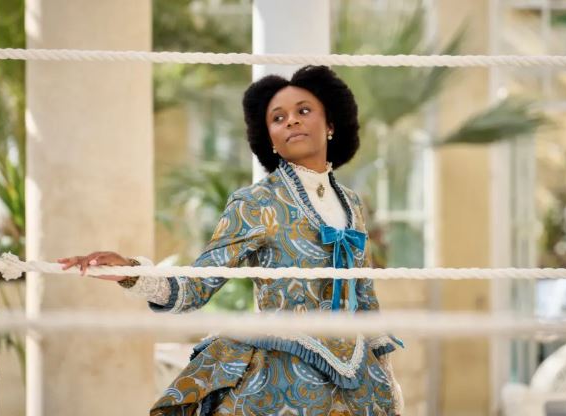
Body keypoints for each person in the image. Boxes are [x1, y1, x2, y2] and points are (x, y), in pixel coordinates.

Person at [58, 65, 404, 416]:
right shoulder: (255, 203)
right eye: (278, 118)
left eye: (303, 111)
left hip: (357, 379)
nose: (291, 121)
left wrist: (386, 376)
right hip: (280, 376)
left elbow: (364, 298)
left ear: (330, 124)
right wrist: (131, 273)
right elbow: (196, 286)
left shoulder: (352, 203)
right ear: (270, 139)